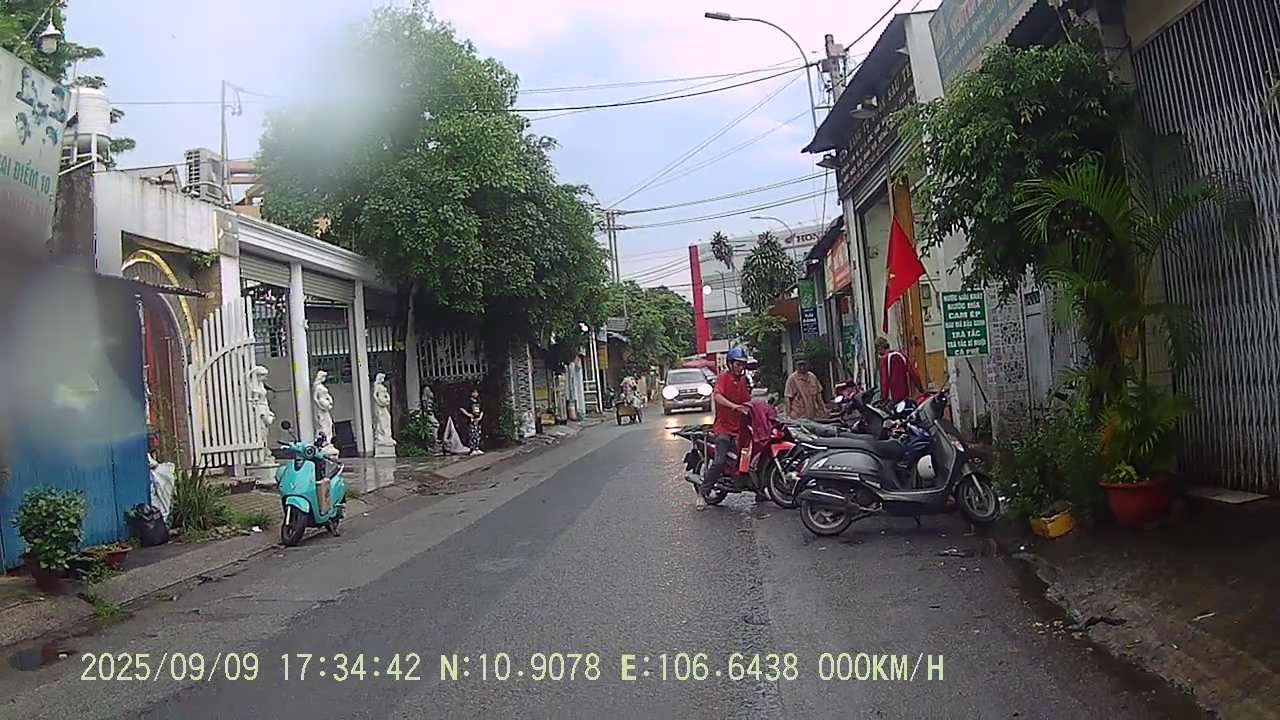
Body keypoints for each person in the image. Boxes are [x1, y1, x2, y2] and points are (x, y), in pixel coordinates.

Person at [697, 346, 761, 510]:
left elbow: (748, 401)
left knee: (753, 455)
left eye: (742, 364)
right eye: (738, 364)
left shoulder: (743, 381)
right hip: (723, 428)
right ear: (730, 364)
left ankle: (759, 489)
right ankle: (703, 493)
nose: (740, 367)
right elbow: (717, 396)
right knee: (719, 461)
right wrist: (734, 406)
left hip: (740, 428)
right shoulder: (723, 378)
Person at [876, 337, 924, 408]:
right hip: (905, 396)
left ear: (880, 349)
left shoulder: (884, 360)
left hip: (893, 398)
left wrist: (883, 398)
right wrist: (921, 389)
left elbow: (884, 381)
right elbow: (914, 373)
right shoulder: (901, 355)